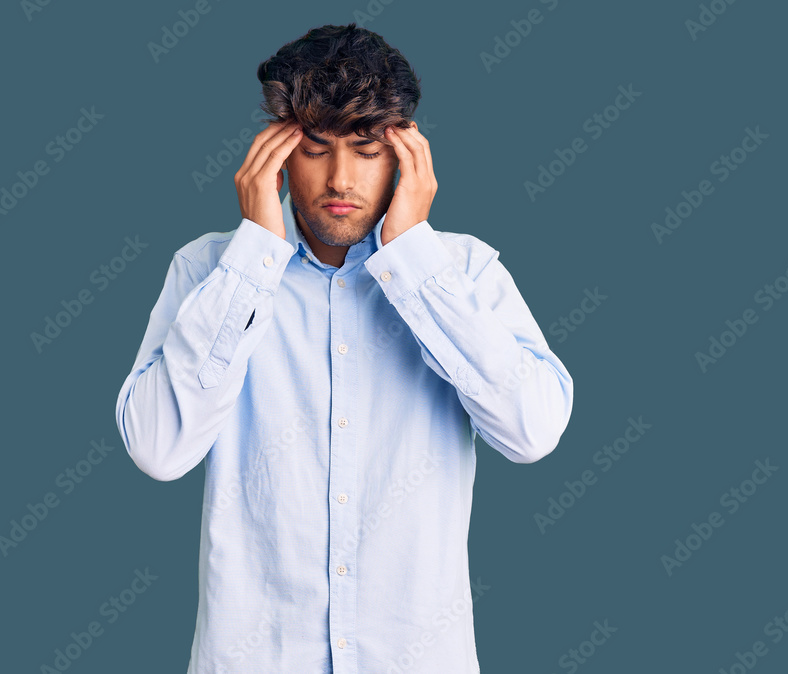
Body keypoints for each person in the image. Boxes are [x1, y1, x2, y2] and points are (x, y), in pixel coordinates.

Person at [115, 22, 573, 673]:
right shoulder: (209, 272)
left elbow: (533, 433)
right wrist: (253, 257)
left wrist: (414, 260)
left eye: (366, 149)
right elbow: (159, 451)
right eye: (314, 149)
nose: (339, 179)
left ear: (405, 156)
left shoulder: (463, 273)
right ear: (274, 156)